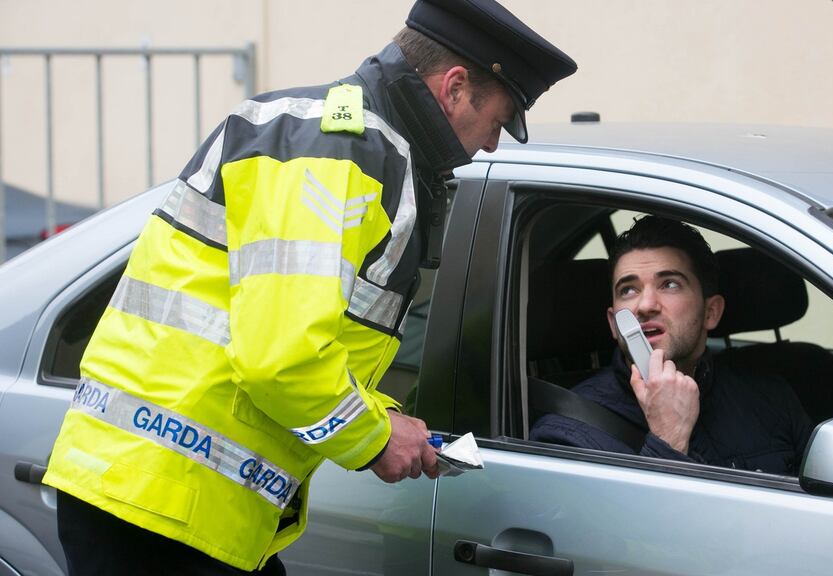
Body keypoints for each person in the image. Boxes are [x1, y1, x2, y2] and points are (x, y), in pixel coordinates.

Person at [42, 1, 576, 574]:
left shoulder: (346, 141)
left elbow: (301, 337)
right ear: (453, 87)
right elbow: (282, 359)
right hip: (161, 502)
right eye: (497, 121)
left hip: (163, 492)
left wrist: (386, 416)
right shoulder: (343, 151)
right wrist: (374, 439)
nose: (492, 145)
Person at [531, 216, 812, 475]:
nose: (645, 305)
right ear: (614, 323)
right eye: (628, 290)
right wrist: (667, 442)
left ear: (711, 312)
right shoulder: (567, 435)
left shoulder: (772, 401)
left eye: (670, 284)